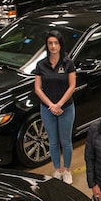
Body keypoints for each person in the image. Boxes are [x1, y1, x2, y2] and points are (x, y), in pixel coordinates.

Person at [34, 29, 76, 183]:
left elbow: (72, 86)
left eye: (56, 43)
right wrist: (51, 105)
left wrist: (59, 104)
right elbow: (38, 88)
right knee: (52, 141)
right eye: (50, 43)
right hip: (47, 109)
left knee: (66, 141)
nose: (53, 46)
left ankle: (67, 170)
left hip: (66, 108)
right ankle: (57, 169)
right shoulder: (41, 65)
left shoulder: (68, 63)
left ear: (60, 45)